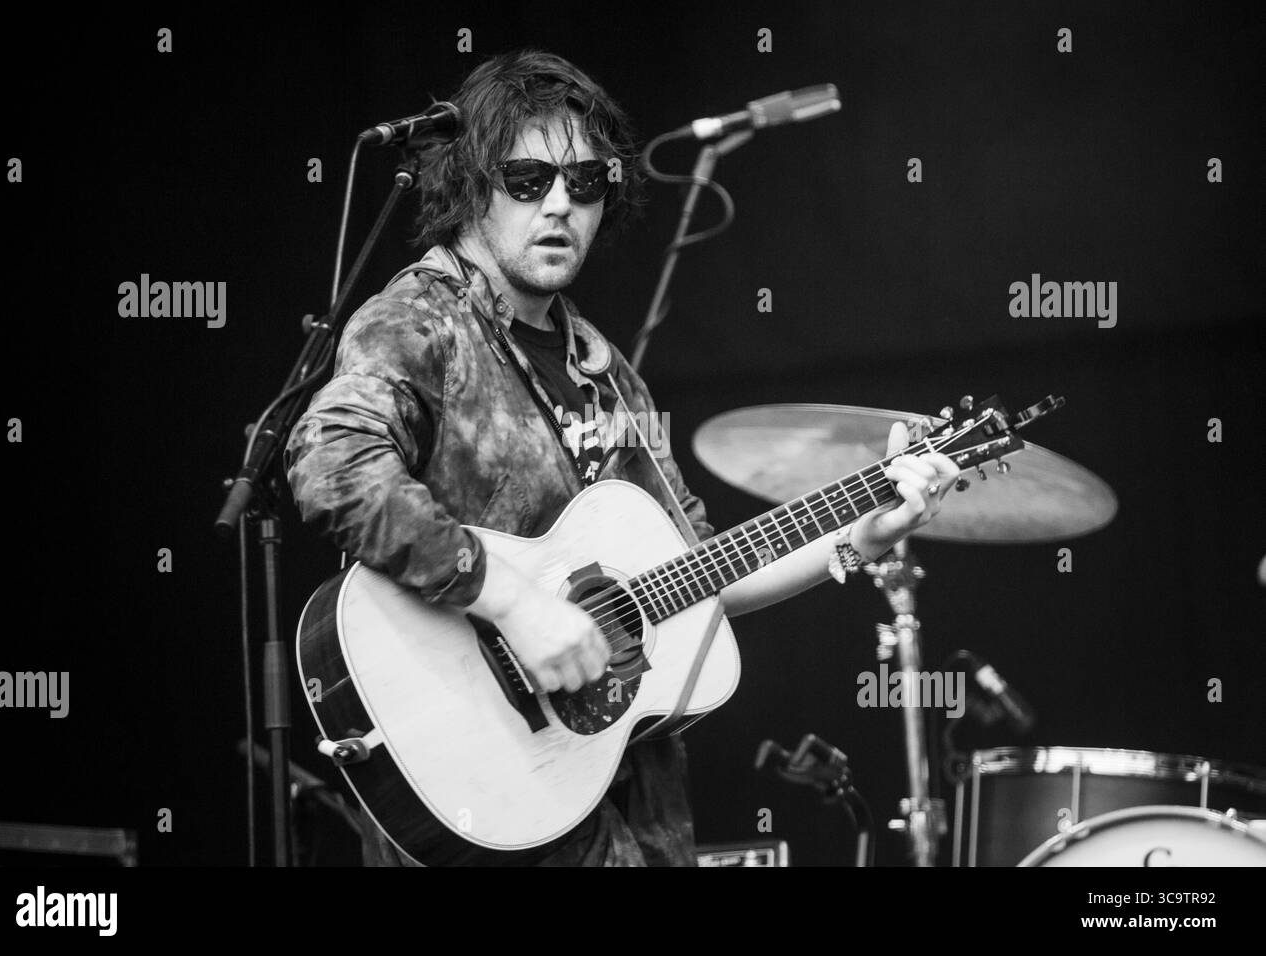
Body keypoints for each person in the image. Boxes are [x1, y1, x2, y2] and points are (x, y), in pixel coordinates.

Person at [284, 49, 958, 866]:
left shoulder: (604, 370)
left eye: (588, 181)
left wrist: (861, 536)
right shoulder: (421, 324)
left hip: (623, 814)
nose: (562, 204)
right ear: (470, 184)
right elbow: (332, 468)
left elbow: (697, 573)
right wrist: (516, 605)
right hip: (488, 801)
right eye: (528, 179)